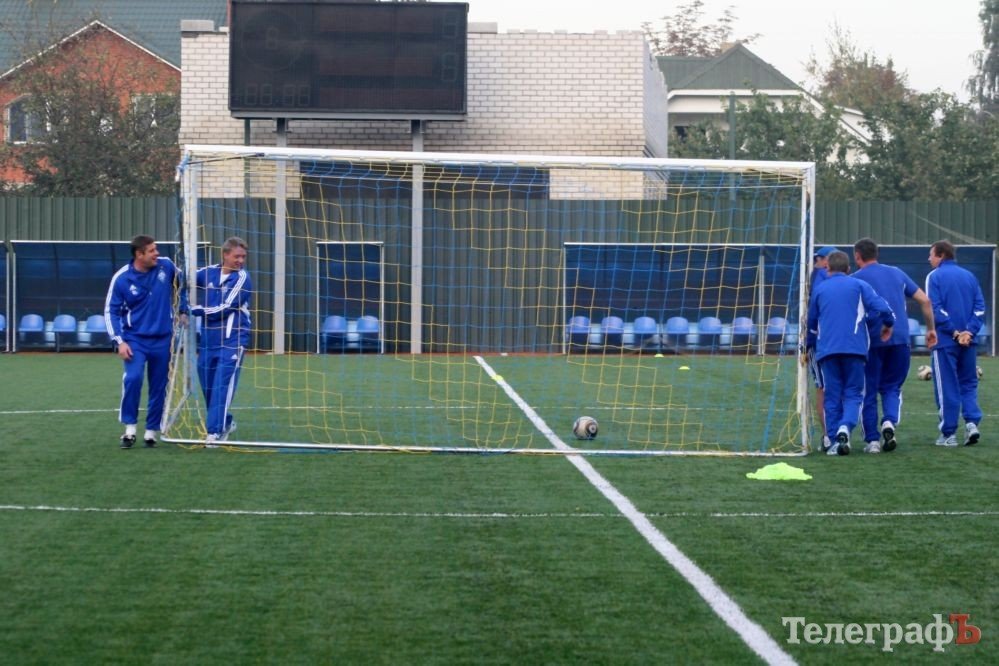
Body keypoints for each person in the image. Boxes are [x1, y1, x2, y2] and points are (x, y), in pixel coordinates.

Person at [852, 238, 938, 453]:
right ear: (877, 254)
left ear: (857, 256)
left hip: (871, 341)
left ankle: (872, 441)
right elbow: (925, 301)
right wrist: (930, 329)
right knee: (892, 387)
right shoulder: (897, 273)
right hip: (900, 339)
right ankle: (889, 422)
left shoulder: (855, 279)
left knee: (868, 391)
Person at [806, 250, 895, 455]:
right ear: (848, 269)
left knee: (832, 395)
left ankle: (836, 438)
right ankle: (846, 427)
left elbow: (812, 323)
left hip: (827, 350)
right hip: (855, 349)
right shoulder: (859, 285)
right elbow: (883, 307)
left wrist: (809, 344)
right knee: (854, 393)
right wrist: (888, 323)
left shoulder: (820, 289)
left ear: (827, 268)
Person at [105, 235, 187, 449]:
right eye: (151, 251)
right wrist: (119, 341)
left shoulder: (166, 266)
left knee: (159, 386)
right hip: (135, 340)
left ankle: (151, 432)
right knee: (133, 378)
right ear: (139, 255)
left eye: (156, 249)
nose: (156, 253)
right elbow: (110, 311)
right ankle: (129, 429)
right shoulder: (122, 278)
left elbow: (183, 285)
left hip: (163, 338)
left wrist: (184, 310)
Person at [191, 237, 252, 446]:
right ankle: (226, 421)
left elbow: (226, 307)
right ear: (225, 254)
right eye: (237, 256)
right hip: (208, 342)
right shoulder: (208, 273)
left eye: (243, 256)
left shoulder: (243, 278)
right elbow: (184, 281)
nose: (240, 260)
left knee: (221, 386)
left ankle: (214, 432)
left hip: (233, 341)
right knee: (208, 386)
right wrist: (181, 306)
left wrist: (196, 310)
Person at [925, 240, 986, 447]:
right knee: (968, 383)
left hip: (945, 342)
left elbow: (934, 308)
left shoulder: (934, 277)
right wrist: (969, 332)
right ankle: (971, 424)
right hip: (968, 342)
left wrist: (955, 331)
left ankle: (948, 434)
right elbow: (980, 308)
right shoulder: (969, 276)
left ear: (941, 255)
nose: (929, 259)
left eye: (931, 254)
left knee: (947, 386)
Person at [806, 246, 839, 451]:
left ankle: (830, 436)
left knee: (823, 389)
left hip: (823, 343)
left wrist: (807, 342)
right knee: (841, 390)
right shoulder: (846, 280)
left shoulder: (819, 279)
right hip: (843, 343)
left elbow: (812, 317)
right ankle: (837, 434)